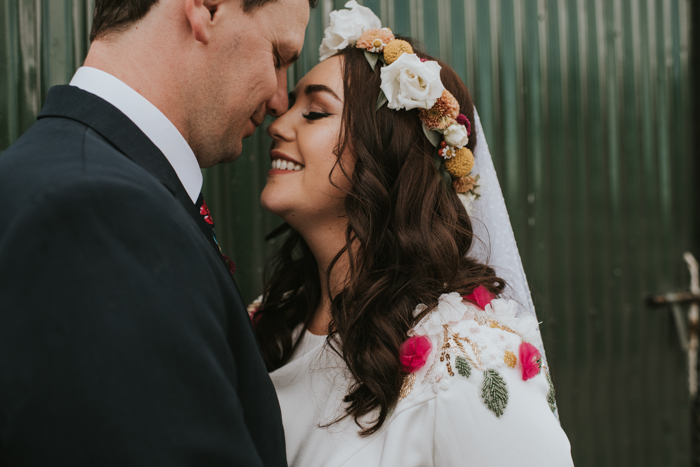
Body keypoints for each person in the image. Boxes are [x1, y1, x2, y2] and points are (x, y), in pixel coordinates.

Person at [251, 2, 574, 465]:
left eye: (316, 112)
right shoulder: (274, 324)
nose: (277, 125)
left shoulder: (465, 357)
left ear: (385, 149)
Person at [0, 0, 313, 465]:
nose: (279, 101)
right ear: (207, 9)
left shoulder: (69, 174)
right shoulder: (99, 212)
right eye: (277, 56)